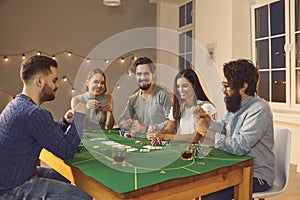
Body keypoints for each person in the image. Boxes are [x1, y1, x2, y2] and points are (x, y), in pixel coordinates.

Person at [0, 55, 92, 200]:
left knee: (65, 175)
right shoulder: (34, 113)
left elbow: (46, 133)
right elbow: (66, 150)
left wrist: (65, 122)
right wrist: (80, 117)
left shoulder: (16, 104)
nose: (58, 85)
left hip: (12, 176)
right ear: (40, 81)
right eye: (54, 80)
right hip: (11, 189)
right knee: (83, 197)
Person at [193, 59, 274, 200]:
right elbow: (225, 130)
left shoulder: (259, 109)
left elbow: (240, 146)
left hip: (256, 175)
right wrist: (208, 122)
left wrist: (207, 133)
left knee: (211, 195)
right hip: (235, 168)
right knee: (201, 185)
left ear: (243, 86)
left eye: (227, 86)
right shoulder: (235, 104)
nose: (224, 90)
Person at [147, 68, 216, 143]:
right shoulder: (178, 107)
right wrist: (157, 134)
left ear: (194, 86)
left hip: (203, 152)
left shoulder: (205, 107)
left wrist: (165, 136)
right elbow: (169, 129)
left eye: (185, 86)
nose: (181, 90)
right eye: (178, 86)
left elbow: (195, 138)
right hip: (184, 150)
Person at [118, 57, 172, 135]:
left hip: (161, 142)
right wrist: (124, 123)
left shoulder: (164, 95)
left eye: (146, 73)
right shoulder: (133, 99)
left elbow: (172, 122)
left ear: (153, 74)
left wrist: (147, 128)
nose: (142, 78)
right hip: (143, 142)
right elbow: (122, 119)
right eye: (139, 74)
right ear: (135, 76)